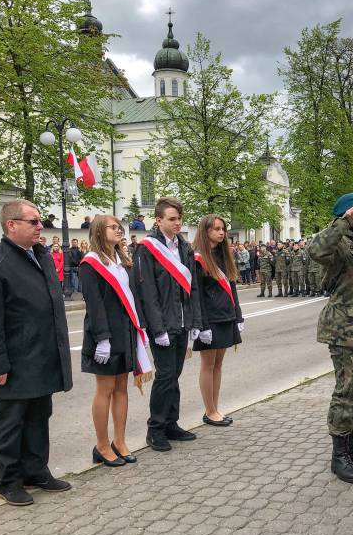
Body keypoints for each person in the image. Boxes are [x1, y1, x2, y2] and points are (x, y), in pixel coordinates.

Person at [0, 199, 73, 506]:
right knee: (11, 422)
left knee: (39, 416)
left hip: (43, 355)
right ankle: (10, 481)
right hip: (14, 360)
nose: (41, 226)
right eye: (34, 221)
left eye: (40, 221)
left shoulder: (40, 256)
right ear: (11, 225)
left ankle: (36, 470)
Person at [308, 192, 353, 484]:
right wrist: (341, 223)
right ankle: (338, 455)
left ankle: (350, 446)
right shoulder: (338, 241)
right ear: (350, 214)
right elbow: (316, 250)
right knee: (348, 391)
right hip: (345, 332)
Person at [80, 214, 150, 467]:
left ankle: (119, 441)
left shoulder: (123, 262)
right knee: (106, 389)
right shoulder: (90, 263)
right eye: (113, 227)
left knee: (122, 387)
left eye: (120, 227)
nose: (119, 230)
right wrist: (102, 338)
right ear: (99, 231)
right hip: (105, 335)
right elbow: (94, 304)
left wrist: (140, 329)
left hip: (126, 331)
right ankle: (101, 445)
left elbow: (133, 297)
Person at [134, 197, 201, 452]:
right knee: (165, 376)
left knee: (175, 374)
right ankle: (155, 429)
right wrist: (157, 328)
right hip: (162, 324)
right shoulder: (147, 248)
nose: (177, 223)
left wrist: (195, 321)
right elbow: (147, 292)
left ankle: (171, 423)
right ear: (158, 220)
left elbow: (192, 287)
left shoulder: (184, 247)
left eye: (179, 219)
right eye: (172, 219)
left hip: (182, 321)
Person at [192, 215, 243, 428]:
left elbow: (232, 287)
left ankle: (215, 407)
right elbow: (197, 295)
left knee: (219, 364)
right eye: (216, 229)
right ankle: (209, 410)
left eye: (223, 229)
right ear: (205, 231)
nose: (221, 233)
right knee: (208, 364)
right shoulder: (197, 258)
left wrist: (238, 315)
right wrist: (202, 325)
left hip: (226, 316)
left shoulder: (223, 255)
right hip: (210, 319)